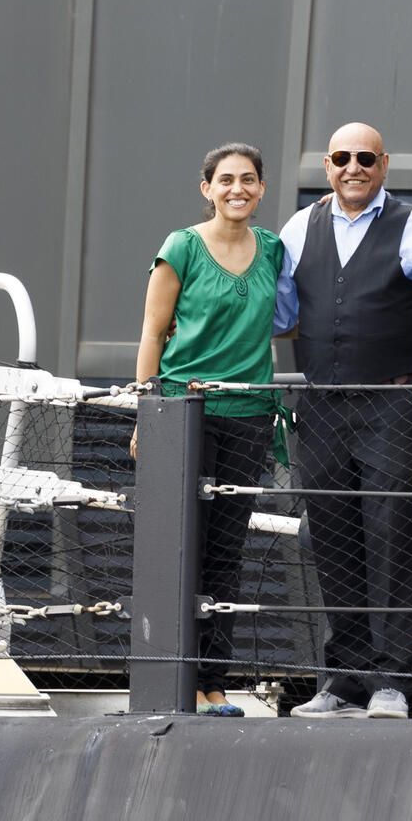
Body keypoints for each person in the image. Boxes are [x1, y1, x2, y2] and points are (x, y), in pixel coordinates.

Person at [274, 122, 412, 719]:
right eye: (342, 157)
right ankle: (343, 679)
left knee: (394, 533)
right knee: (333, 535)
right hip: (319, 404)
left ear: (385, 164)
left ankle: (392, 679)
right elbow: (282, 310)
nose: (354, 167)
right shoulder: (298, 227)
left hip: (391, 403)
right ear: (327, 165)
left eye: (366, 157)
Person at [133, 143, 284, 718]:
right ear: (207, 188)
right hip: (184, 415)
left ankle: (214, 684)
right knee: (182, 550)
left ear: (262, 188)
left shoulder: (272, 249)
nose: (237, 189)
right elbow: (152, 333)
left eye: (248, 180)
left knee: (227, 552)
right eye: (225, 180)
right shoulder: (182, 247)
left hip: (249, 416)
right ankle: (178, 681)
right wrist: (150, 413)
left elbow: (286, 318)